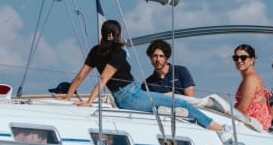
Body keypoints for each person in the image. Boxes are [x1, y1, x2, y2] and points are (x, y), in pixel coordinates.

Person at [60, 20, 228, 136]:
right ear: (118, 34)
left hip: (125, 97)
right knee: (182, 103)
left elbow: (80, 76)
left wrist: (68, 97)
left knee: (169, 103)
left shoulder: (95, 51)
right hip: (132, 95)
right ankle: (219, 128)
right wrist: (89, 103)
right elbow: (103, 78)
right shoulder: (118, 53)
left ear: (102, 34)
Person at [232, 44, 271, 130]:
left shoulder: (250, 79)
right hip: (255, 124)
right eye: (235, 58)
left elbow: (242, 108)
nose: (239, 60)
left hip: (253, 126)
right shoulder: (251, 77)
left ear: (252, 60)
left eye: (243, 58)